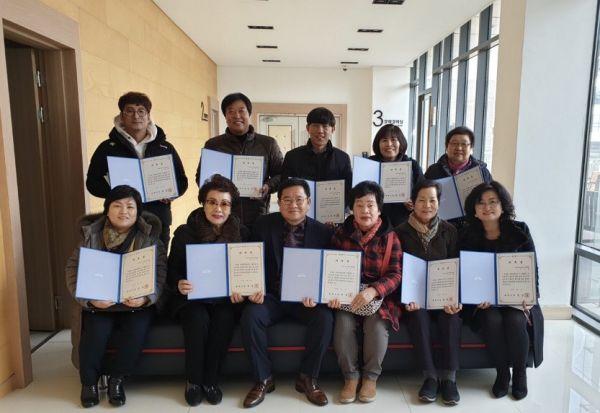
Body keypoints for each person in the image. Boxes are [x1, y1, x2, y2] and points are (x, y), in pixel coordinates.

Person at [65, 185, 167, 408]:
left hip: (136, 304)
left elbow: (160, 275)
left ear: (138, 211)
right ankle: (89, 383)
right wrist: (90, 300)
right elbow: (72, 270)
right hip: (100, 303)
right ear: (107, 209)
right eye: (117, 206)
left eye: (130, 206)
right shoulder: (91, 236)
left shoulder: (150, 239)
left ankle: (117, 380)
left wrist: (146, 299)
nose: (124, 211)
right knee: (95, 333)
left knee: (136, 331)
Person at [240, 178, 334, 408]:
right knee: (250, 315)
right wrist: (253, 288)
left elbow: (327, 271)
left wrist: (318, 295)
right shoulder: (263, 225)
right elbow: (250, 261)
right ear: (279, 202)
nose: (293, 205)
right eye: (287, 200)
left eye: (299, 199)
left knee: (324, 318)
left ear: (308, 202)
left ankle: (307, 378)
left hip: (304, 299)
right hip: (271, 296)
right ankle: (263, 379)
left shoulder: (323, 232)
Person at [164, 175, 250, 406]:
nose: (218, 209)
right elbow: (171, 270)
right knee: (196, 318)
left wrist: (243, 289)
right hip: (192, 298)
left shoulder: (242, 233)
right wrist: (179, 283)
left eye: (224, 204)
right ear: (203, 203)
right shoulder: (185, 232)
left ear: (231, 207)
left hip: (226, 299)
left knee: (224, 319)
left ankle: (211, 381)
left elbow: (247, 271)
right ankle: (194, 380)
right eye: (212, 202)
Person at [459, 181, 544, 400]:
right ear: (474, 210)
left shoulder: (520, 231)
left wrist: (530, 296)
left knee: (515, 320)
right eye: (481, 203)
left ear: (503, 205)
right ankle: (502, 373)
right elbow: (466, 273)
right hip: (485, 302)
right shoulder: (467, 235)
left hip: (516, 298)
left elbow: (531, 267)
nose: (487, 207)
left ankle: (520, 374)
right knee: (491, 319)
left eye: (493, 202)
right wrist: (474, 297)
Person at [330, 181, 402, 404]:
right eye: (359, 205)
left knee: (376, 327)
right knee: (342, 325)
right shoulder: (341, 234)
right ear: (352, 208)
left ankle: (370, 378)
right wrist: (331, 293)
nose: (365, 210)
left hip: (378, 298)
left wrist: (374, 290)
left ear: (379, 209)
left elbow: (396, 274)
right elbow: (330, 268)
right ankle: (351, 377)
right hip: (347, 298)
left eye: (370, 205)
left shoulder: (390, 237)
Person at [86, 91, 188, 248]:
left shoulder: (165, 148)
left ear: (148, 116)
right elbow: (92, 183)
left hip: (158, 219)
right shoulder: (107, 148)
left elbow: (181, 181)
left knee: (158, 260)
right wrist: (116, 192)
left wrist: (172, 193)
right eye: (130, 111)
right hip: (121, 221)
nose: (136, 116)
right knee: (126, 260)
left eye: (141, 111)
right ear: (122, 116)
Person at [396, 180, 461, 405]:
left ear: (439, 203)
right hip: (415, 299)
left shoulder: (449, 231)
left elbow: (456, 266)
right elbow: (397, 270)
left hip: (443, 297)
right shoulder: (400, 232)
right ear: (413, 203)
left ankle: (449, 378)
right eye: (421, 200)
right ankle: (430, 376)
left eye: (432, 200)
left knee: (451, 317)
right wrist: (406, 298)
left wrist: (455, 298)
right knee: (417, 316)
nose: (427, 205)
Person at [195, 92, 283, 228]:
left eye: (241, 111)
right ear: (225, 116)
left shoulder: (268, 144)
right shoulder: (213, 145)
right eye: (231, 111)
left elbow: (282, 175)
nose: (237, 116)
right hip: (223, 218)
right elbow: (200, 178)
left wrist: (268, 187)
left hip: (258, 216)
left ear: (249, 114)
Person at [281, 107, 352, 204]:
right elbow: (284, 188)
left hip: (332, 210)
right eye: (315, 126)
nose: (320, 131)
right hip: (301, 210)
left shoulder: (343, 158)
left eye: (325, 126)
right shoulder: (292, 156)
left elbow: (348, 190)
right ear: (308, 128)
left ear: (333, 129)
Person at [424, 126, 492, 228]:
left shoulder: (482, 172)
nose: (459, 148)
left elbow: (491, 197)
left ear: (471, 148)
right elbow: (424, 195)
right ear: (447, 146)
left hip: (473, 226)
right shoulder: (433, 171)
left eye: (464, 144)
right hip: (440, 226)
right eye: (454, 143)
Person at [369, 124, 424, 226]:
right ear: (378, 144)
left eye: (394, 140)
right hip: (373, 222)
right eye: (384, 140)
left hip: (404, 224)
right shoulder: (369, 164)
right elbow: (359, 193)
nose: (389, 144)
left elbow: (423, 193)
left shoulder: (412, 165)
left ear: (401, 143)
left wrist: (414, 203)